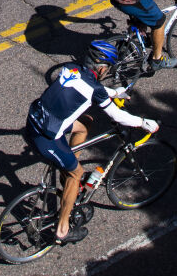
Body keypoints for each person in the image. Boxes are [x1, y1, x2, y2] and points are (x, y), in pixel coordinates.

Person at [25, 62, 158, 244]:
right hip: (46, 136)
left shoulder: (73, 68)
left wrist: (114, 92)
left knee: (85, 123)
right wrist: (143, 122)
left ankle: (68, 173)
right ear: (103, 69)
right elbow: (117, 116)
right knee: (77, 174)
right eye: (108, 69)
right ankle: (62, 231)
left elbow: (91, 86)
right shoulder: (94, 88)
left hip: (35, 118)